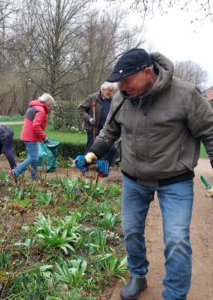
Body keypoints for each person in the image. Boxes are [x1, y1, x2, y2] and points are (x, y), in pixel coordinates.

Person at [84, 48, 213, 300]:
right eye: (118, 82)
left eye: (126, 80)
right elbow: (109, 131)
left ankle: (174, 295)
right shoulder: (123, 96)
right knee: (131, 232)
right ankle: (138, 276)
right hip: (133, 180)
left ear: (146, 72)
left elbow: (209, 131)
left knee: (176, 241)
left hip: (175, 181)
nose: (121, 86)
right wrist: (93, 153)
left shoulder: (185, 94)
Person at [10, 93, 55, 180]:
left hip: (28, 135)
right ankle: (15, 172)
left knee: (34, 157)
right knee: (33, 157)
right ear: (48, 103)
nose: (50, 107)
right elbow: (36, 126)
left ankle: (34, 177)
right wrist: (44, 137)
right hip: (31, 136)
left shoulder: (34, 107)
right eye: (51, 105)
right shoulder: (41, 110)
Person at [78, 81, 118, 165]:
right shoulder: (92, 98)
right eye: (108, 90)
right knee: (90, 150)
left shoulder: (114, 100)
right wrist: (89, 119)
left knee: (113, 149)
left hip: (107, 130)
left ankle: (103, 166)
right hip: (93, 129)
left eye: (112, 91)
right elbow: (81, 109)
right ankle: (84, 166)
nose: (110, 92)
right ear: (102, 89)